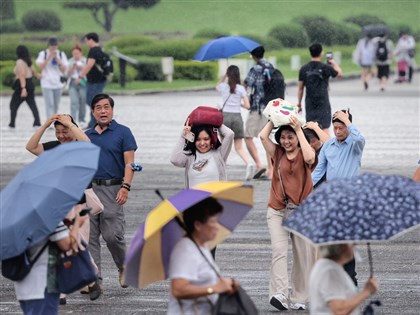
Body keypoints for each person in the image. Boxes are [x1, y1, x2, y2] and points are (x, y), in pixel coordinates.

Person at [260, 116, 317, 311]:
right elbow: (262, 136)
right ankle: (280, 294)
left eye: (290, 137)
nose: (286, 141)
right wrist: (273, 117)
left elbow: (310, 158)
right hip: (277, 210)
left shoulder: (305, 153)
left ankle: (299, 296)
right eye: (283, 137)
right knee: (279, 251)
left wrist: (298, 129)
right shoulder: (277, 152)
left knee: (303, 256)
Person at [85, 93, 137, 295]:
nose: (103, 111)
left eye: (106, 107)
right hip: (89, 190)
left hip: (114, 188)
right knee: (90, 237)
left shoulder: (123, 133)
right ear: (93, 112)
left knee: (112, 236)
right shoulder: (86, 135)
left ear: (112, 110)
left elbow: (130, 163)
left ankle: (124, 267)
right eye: (98, 107)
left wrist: (126, 186)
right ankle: (94, 279)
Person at [312, 109, 365, 286]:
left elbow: (360, 139)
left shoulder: (354, 145)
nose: (338, 131)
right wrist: (304, 191)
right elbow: (318, 173)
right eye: (335, 127)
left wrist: (347, 121)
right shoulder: (328, 146)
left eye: (341, 127)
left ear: (348, 127)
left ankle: (351, 279)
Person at [168, 197, 236, 314]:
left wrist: (224, 284)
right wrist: (213, 289)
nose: (217, 227)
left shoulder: (203, 246)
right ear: (198, 225)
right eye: (213, 222)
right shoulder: (185, 251)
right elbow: (178, 289)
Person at [14, 213, 87, 315]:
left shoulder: (19, 219)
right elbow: (66, 244)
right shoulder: (49, 217)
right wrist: (77, 223)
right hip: (43, 285)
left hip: (22, 285)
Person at [309, 244, 379, 315]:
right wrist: (366, 291)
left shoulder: (328, 266)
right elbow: (339, 310)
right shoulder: (330, 271)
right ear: (342, 247)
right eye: (352, 245)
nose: (354, 248)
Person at [170, 120, 234, 189]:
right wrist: (184, 135)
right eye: (198, 139)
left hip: (214, 198)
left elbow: (229, 134)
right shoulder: (190, 156)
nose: (202, 143)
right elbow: (175, 160)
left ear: (212, 139)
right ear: (193, 140)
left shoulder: (219, 154)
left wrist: (215, 122)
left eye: (206, 139)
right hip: (194, 199)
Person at [216, 65, 252, 180]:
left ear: (228, 74)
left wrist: (224, 76)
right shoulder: (241, 89)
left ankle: (222, 170)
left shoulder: (223, 86)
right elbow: (248, 106)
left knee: (223, 146)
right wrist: (238, 104)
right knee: (239, 147)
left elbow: (216, 86)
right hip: (237, 118)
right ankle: (249, 163)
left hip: (225, 117)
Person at [297, 43, 342, 135]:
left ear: (310, 53)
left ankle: (311, 149)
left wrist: (299, 104)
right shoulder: (325, 67)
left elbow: (300, 89)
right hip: (323, 102)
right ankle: (327, 148)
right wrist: (333, 62)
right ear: (321, 53)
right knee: (325, 129)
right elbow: (339, 74)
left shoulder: (304, 68)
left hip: (310, 103)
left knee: (310, 129)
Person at [243, 46, 272, 179]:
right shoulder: (270, 66)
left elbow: (246, 85)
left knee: (248, 137)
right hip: (270, 108)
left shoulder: (255, 69)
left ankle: (259, 165)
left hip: (257, 108)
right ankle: (270, 170)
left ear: (253, 56)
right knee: (267, 138)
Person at [7, 45, 41, 130]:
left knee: (13, 104)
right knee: (32, 104)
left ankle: (12, 124)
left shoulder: (19, 61)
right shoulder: (28, 61)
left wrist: (23, 88)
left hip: (22, 84)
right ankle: (37, 122)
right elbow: (32, 71)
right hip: (30, 83)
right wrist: (37, 76)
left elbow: (21, 75)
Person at [79, 32, 108, 129]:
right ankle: (94, 122)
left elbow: (90, 64)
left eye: (86, 41)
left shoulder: (93, 50)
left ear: (91, 40)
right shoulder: (100, 49)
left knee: (92, 101)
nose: (86, 43)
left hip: (95, 81)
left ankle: (95, 122)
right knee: (94, 102)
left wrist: (81, 75)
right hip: (100, 80)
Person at [35, 37, 68, 119]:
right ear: (48, 46)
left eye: (55, 45)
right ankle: (49, 121)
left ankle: (55, 119)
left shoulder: (61, 54)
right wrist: (49, 57)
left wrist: (58, 60)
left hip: (58, 83)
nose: (53, 47)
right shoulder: (43, 54)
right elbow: (40, 67)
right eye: (52, 45)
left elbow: (64, 69)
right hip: (46, 82)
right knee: (49, 103)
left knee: (56, 104)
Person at [67, 45, 87, 127]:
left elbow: (87, 70)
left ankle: (82, 119)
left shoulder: (85, 60)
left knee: (82, 100)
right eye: (74, 53)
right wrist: (73, 67)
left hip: (83, 82)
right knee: (74, 102)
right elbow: (67, 74)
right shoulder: (70, 61)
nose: (76, 55)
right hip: (73, 82)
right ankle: (73, 119)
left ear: (80, 53)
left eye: (77, 53)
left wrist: (81, 67)